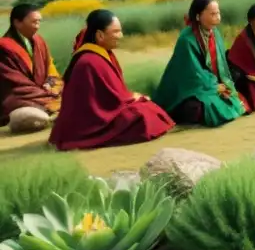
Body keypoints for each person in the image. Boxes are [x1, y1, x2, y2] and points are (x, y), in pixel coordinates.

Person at [49, 10, 175, 151]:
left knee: (149, 108)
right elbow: (110, 102)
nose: (120, 36)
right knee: (143, 116)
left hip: (104, 112)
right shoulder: (89, 61)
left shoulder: (102, 54)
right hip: (90, 123)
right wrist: (135, 99)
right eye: (115, 32)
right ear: (100, 35)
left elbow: (111, 95)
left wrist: (134, 98)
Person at [152, 0, 247, 127]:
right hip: (188, 88)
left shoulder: (215, 33)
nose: (218, 17)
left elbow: (221, 65)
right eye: (213, 14)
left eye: (218, 12)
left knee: (234, 97)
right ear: (198, 16)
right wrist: (214, 87)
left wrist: (223, 83)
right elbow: (193, 73)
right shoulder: (187, 39)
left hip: (210, 82)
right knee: (201, 108)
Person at [0, 4, 62, 134]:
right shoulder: (4, 47)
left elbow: (50, 66)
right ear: (17, 22)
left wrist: (50, 83)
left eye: (39, 21)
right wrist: (43, 93)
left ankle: (53, 111)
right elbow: (13, 80)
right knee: (27, 110)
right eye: (34, 22)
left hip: (43, 91)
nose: (37, 25)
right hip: (19, 94)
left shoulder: (39, 41)